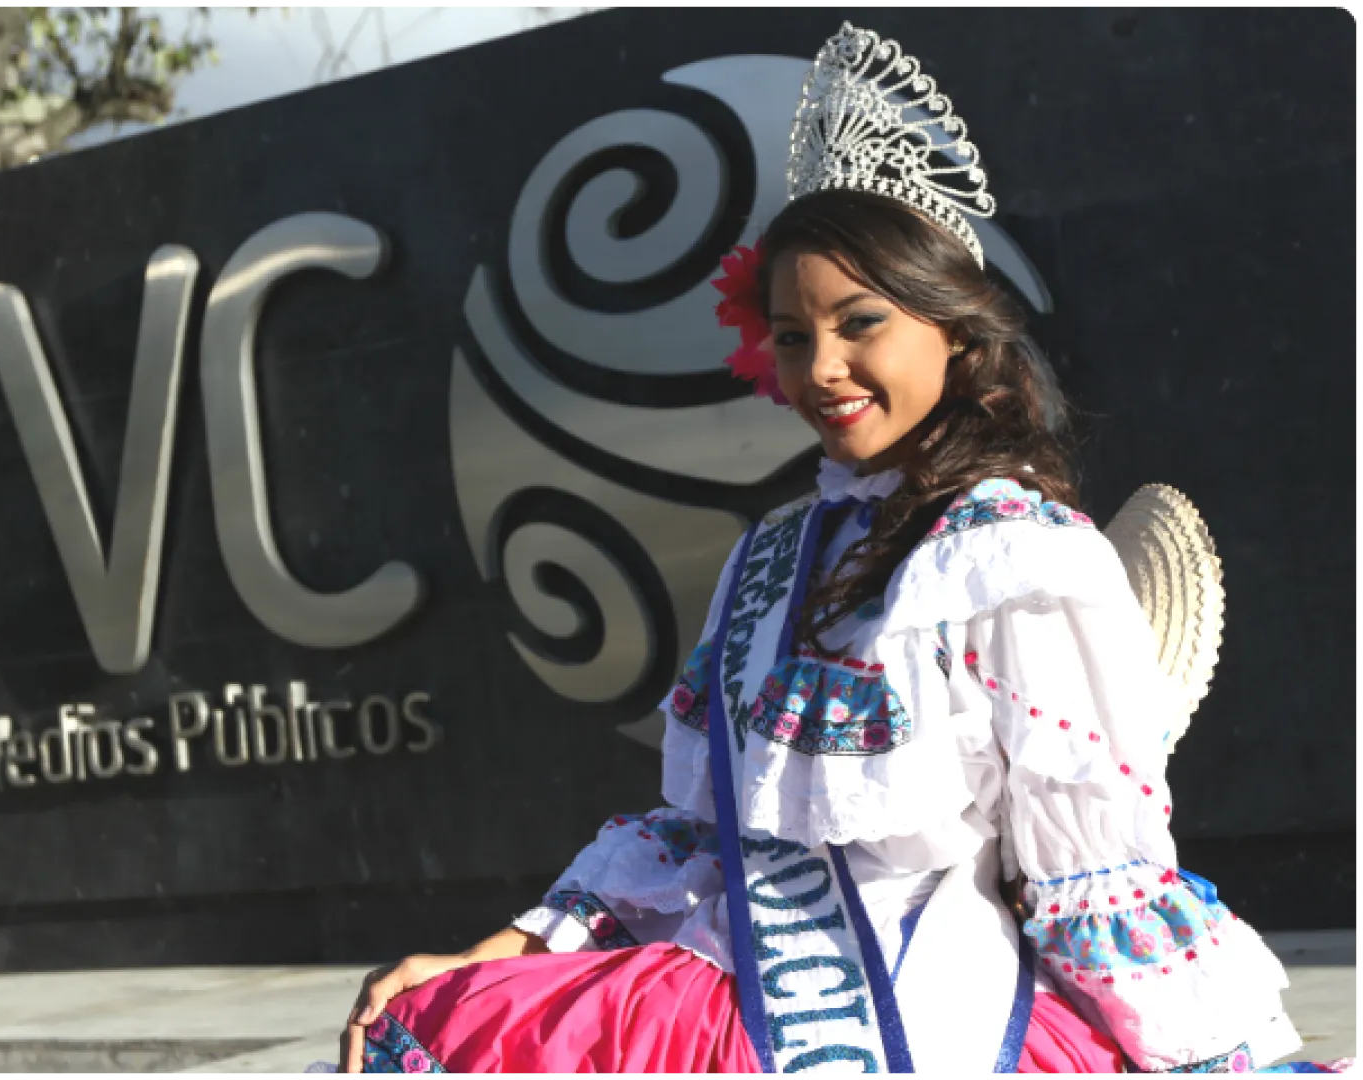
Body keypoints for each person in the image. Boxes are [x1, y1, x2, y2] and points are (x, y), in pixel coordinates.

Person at [331, 22, 1356, 1077]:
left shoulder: (1021, 561)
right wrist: (521, 944)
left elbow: (1089, 872)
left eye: (860, 322)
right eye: (790, 334)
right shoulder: (771, 553)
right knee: (439, 1020)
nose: (822, 369)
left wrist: (1227, 1058)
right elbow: (699, 831)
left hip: (940, 1008)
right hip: (722, 988)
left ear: (953, 328)